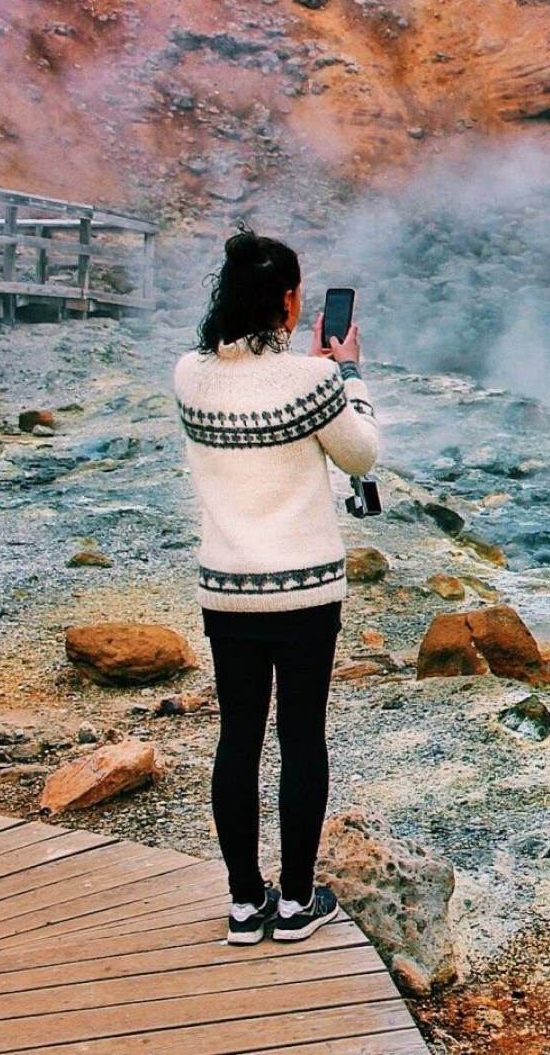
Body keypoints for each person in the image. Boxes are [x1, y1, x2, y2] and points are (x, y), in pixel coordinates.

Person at [174, 230, 380, 945]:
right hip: (304, 594)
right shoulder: (313, 382)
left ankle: (241, 903)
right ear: (290, 302)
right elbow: (362, 453)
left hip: (227, 591)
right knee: (301, 737)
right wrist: (348, 373)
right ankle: (295, 903)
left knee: (237, 737)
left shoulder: (188, 376)